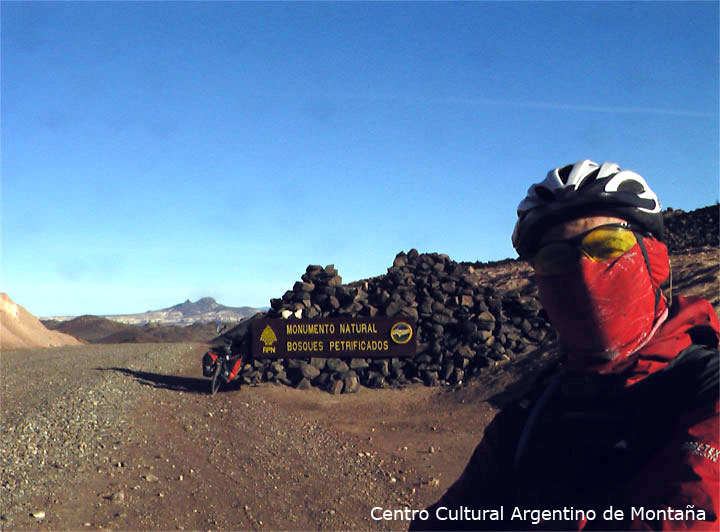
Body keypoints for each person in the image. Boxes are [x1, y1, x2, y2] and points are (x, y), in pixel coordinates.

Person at [410, 160, 719, 531]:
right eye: (555, 258)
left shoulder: (707, 391)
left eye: (607, 245)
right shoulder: (534, 410)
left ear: (654, 259)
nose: (583, 271)